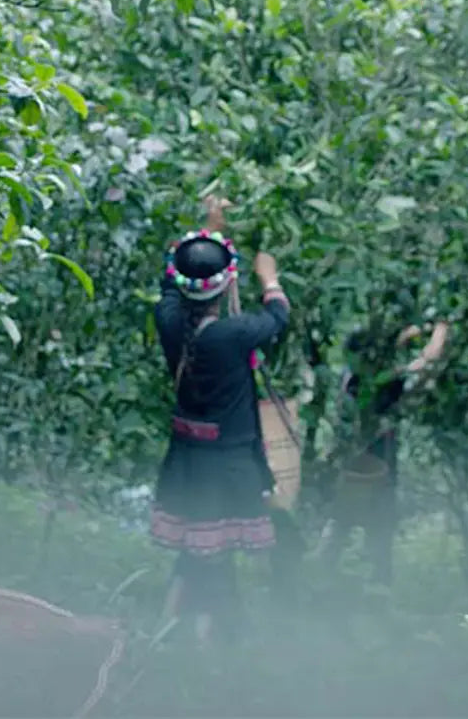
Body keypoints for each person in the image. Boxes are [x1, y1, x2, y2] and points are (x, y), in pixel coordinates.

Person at [150, 197, 290, 648]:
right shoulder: (233, 334)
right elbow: (278, 316)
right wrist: (269, 278)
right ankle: (206, 641)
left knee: (200, 549)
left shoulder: (170, 319)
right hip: (228, 464)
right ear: (223, 285)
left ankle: (172, 632)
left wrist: (212, 227)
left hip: (188, 459)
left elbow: (173, 281)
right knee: (213, 557)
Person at [318, 318, 450, 586]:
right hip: (374, 456)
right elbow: (423, 365)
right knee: (374, 518)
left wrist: (418, 330)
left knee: (347, 517)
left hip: (353, 457)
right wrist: (440, 330)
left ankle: (336, 573)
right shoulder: (377, 381)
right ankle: (374, 579)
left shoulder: (353, 375)